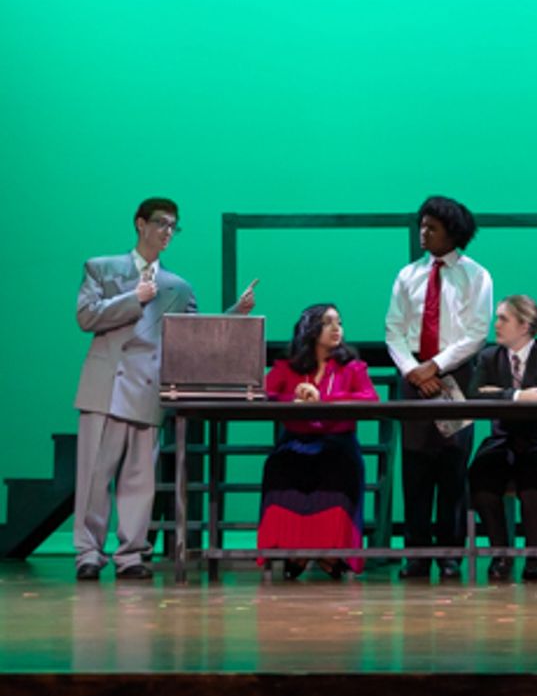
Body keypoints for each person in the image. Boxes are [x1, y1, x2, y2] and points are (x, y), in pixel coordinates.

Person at [72, 197, 256, 581]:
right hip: (107, 385)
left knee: (140, 479)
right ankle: (88, 552)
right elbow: (86, 316)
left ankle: (131, 555)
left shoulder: (177, 286)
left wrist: (234, 314)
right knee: (93, 477)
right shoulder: (102, 268)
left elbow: (193, 339)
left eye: (174, 226)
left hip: (148, 386)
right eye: (161, 223)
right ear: (140, 223)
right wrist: (132, 299)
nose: (167, 232)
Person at [386, 196, 493, 580]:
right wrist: (415, 370)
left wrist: (436, 366)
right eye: (422, 225)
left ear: (453, 232)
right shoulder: (407, 275)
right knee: (415, 467)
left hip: (455, 374)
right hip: (414, 376)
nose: (423, 233)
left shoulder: (476, 276)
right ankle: (416, 553)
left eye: (432, 227)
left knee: (451, 465)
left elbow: (477, 333)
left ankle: (450, 553)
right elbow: (393, 330)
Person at [259, 304, 379, 580]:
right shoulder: (286, 366)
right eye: (328, 323)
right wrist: (295, 399)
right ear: (311, 330)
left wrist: (324, 400)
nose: (337, 329)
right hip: (296, 442)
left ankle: (331, 552)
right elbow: (264, 393)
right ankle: (293, 549)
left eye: (339, 322)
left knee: (338, 467)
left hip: (337, 442)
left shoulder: (352, 366)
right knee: (278, 466)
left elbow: (369, 399)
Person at [467, 296, 537, 582]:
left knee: (533, 486)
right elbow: (474, 394)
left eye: (503, 319)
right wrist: (517, 396)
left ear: (525, 326)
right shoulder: (490, 357)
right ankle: (501, 554)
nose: (496, 325)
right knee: (482, 480)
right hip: (503, 439)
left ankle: (535, 557)